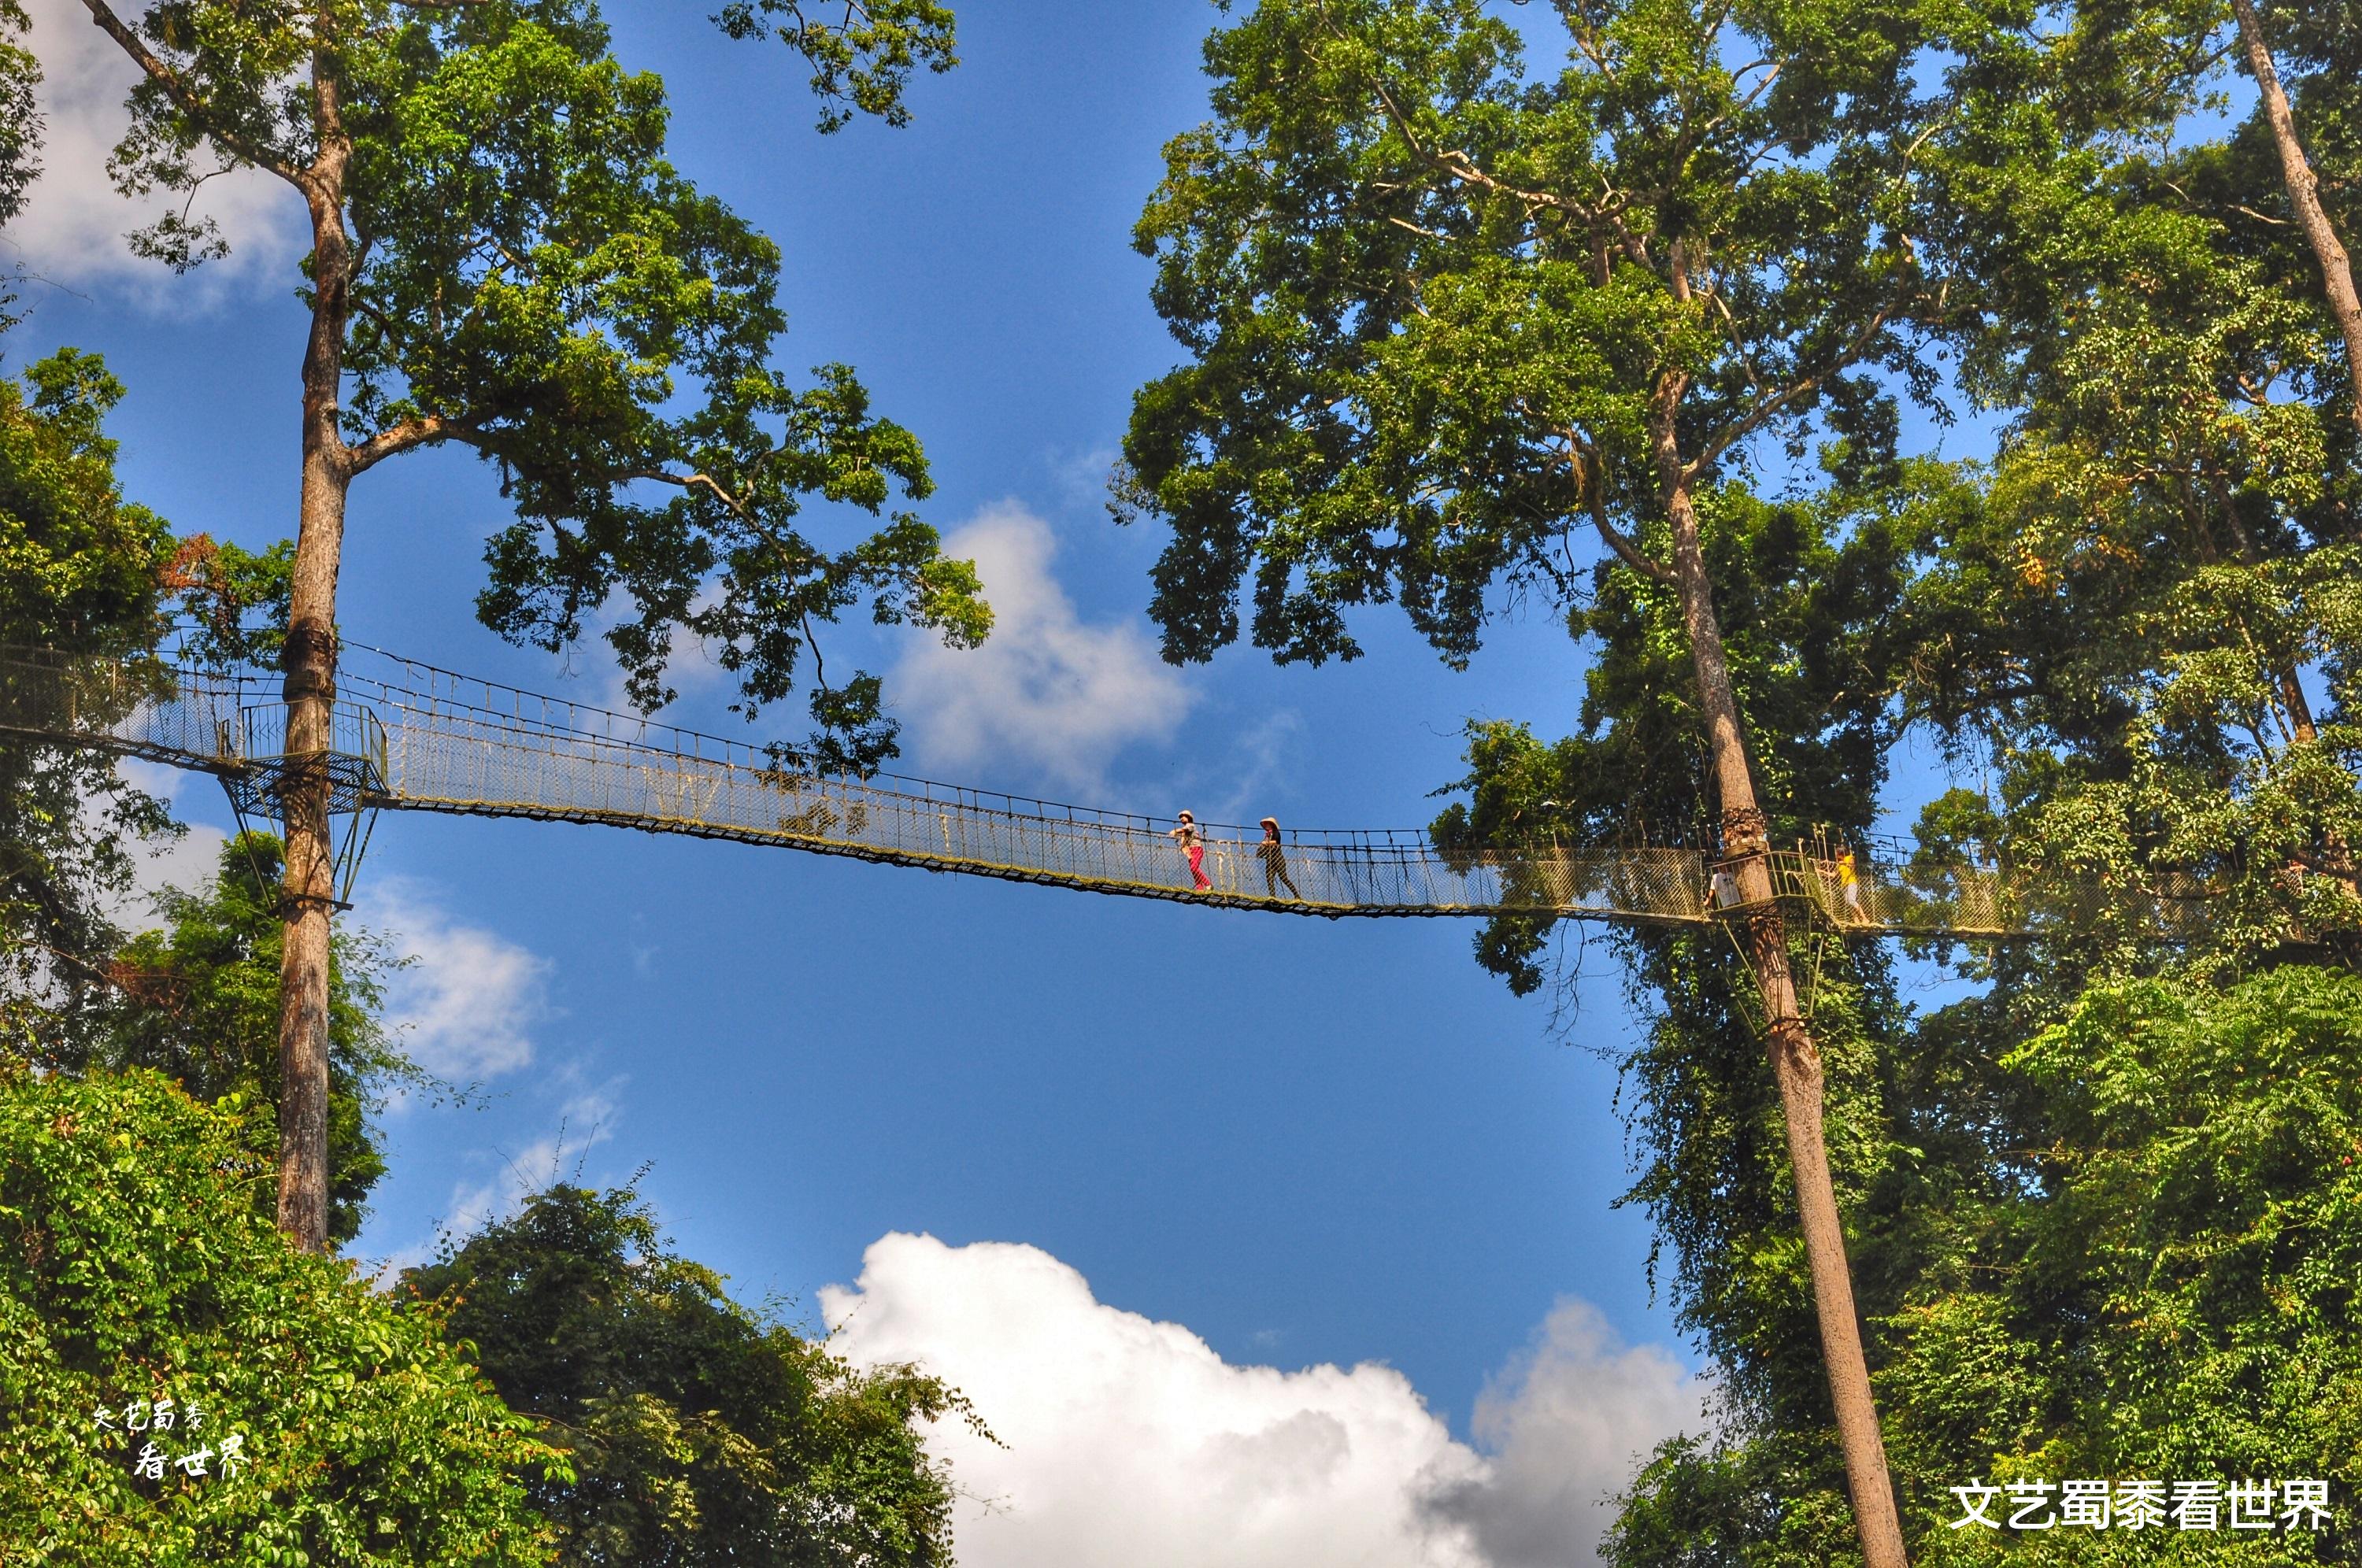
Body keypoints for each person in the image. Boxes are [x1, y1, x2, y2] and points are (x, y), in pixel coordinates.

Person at [1257, 817, 1301, 899]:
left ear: (1271, 824)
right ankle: (1273, 897)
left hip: (1278, 859)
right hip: (1270, 859)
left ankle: (1296, 895)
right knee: (1269, 878)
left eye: (1267, 824)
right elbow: (1262, 850)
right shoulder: (1267, 836)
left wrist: (1266, 843)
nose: (1266, 825)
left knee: (1283, 878)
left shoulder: (1275, 832)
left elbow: (1275, 842)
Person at [1169, 810, 1212, 891]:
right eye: (1180, 817)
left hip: (1197, 849)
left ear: (1188, 817)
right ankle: (1200, 888)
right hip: (1191, 851)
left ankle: (1208, 884)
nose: (1181, 819)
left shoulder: (1191, 825)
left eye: (1183, 816)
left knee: (1194, 868)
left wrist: (1174, 831)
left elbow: (1183, 830)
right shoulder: (1185, 830)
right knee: (1194, 871)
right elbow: (1183, 839)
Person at [1837, 847, 1865, 923]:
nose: (1836, 855)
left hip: (1851, 882)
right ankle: (1856, 919)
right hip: (1843, 885)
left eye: (1837, 853)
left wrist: (1845, 863)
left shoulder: (1849, 858)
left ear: (1840, 853)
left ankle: (1864, 918)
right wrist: (1820, 871)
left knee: (1852, 901)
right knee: (1848, 903)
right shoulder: (1839, 864)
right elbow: (1833, 875)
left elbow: (1853, 867)